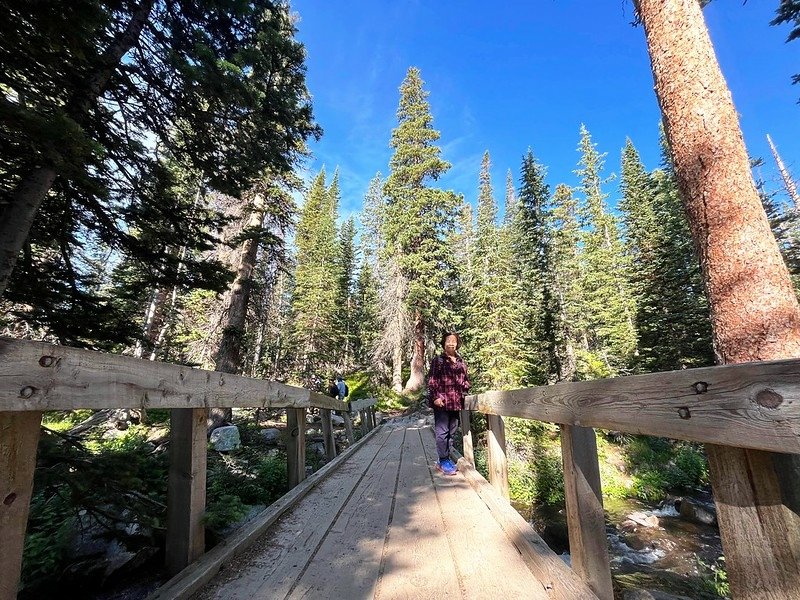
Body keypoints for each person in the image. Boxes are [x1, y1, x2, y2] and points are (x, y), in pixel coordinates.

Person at [426, 331, 470, 476]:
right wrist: (435, 398)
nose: (451, 343)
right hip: (442, 403)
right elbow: (432, 381)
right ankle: (444, 460)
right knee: (442, 432)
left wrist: (465, 390)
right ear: (444, 343)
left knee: (452, 431)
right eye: (448, 340)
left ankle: (444, 459)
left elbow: (465, 380)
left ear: (457, 343)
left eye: (454, 341)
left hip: (456, 402)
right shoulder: (438, 361)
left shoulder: (461, 361)